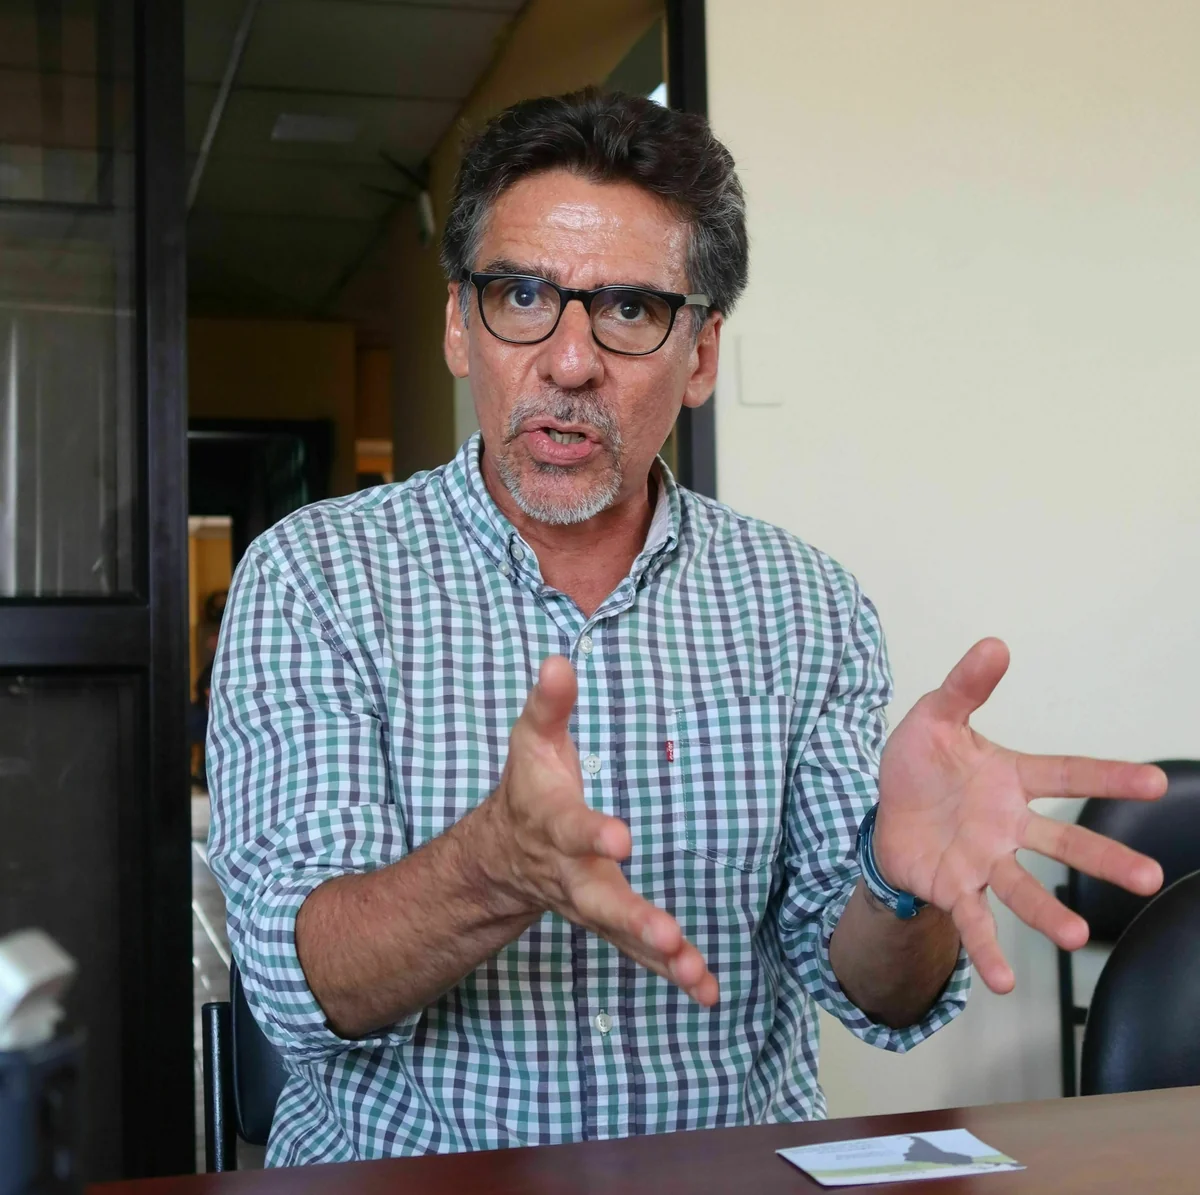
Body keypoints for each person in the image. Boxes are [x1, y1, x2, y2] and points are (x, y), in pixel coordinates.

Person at [206, 89, 1165, 1166]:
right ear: (458, 326)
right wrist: (494, 866)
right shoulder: (317, 579)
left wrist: (900, 885)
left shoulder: (806, 604)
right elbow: (301, 985)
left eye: (628, 309)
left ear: (701, 355)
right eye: (521, 295)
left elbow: (880, 993)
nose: (570, 361)